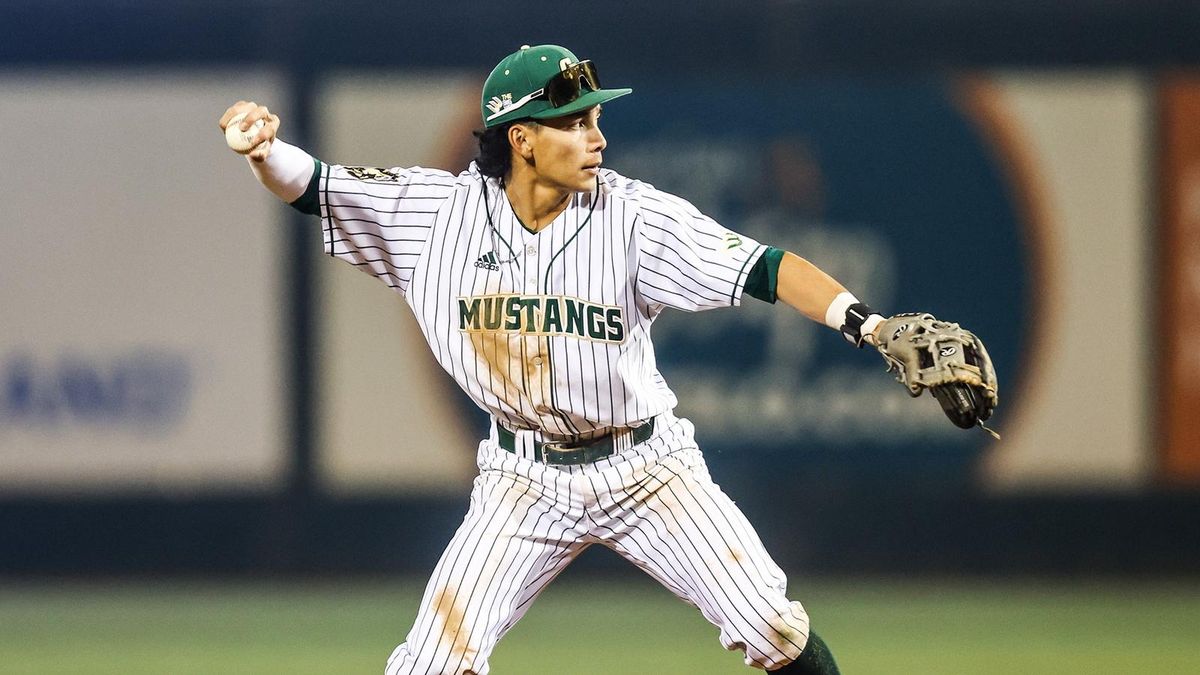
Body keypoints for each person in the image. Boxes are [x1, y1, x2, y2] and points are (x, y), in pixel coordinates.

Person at [220, 43, 896, 675]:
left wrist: (865, 322)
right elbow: (316, 185)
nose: (597, 136)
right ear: (522, 138)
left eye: (595, 117)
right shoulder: (436, 214)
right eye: (574, 121)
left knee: (771, 624)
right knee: (430, 663)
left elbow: (765, 267)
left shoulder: (633, 217)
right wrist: (264, 151)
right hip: (523, 477)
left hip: (647, 469)